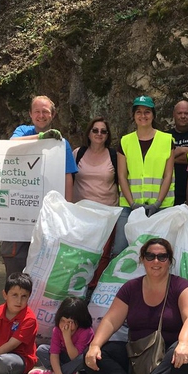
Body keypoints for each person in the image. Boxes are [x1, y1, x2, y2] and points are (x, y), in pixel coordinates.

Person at [85, 238, 188, 374]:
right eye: (150, 256)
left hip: (171, 362)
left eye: (162, 257)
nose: (156, 261)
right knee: (93, 357)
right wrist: (95, 346)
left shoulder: (181, 286)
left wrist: (184, 344)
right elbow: (111, 320)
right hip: (138, 357)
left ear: (170, 261)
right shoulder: (131, 288)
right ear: (142, 259)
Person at [0, 96, 78, 276]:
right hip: (19, 211)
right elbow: (9, 144)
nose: (41, 115)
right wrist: (41, 137)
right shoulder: (22, 131)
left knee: (43, 264)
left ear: (53, 115)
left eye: (45, 112)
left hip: (47, 214)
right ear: (30, 114)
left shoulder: (61, 143)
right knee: (15, 264)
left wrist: (67, 209)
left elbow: (67, 176)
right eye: (37, 111)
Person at [114, 96, 175, 255]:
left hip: (161, 207)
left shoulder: (167, 140)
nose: (143, 115)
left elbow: (168, 175)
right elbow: (122, 175)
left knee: (158, 252)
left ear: (153, 115)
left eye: (147, 111)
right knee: (120, 249)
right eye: (139, 112)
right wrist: (132, 204)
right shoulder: (125, 141)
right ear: (133, 115)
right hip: (130, 206)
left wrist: (157, 203)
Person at [72, 117, 119, 286]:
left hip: (107, 212)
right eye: (95, 130)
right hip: (82, 212)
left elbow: (121, 181)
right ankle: (78, 285)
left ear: (107, 135)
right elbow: (68, 179)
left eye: (103, 131)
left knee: (103, 253)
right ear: (89, 133)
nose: (99, 134)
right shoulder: (78, 153)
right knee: (81, 250)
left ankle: (95, 287)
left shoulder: (114, 156)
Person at [27, 297, 94, 374]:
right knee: (41, 349)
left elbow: (74, 356)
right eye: (63, 320)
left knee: (83, 358)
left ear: (79, 321)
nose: (65, 325)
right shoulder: (57, 330)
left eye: (70, 322)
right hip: (63, 357)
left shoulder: (86, 331)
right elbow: (54, 354)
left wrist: (67, 337)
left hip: (76, 360)